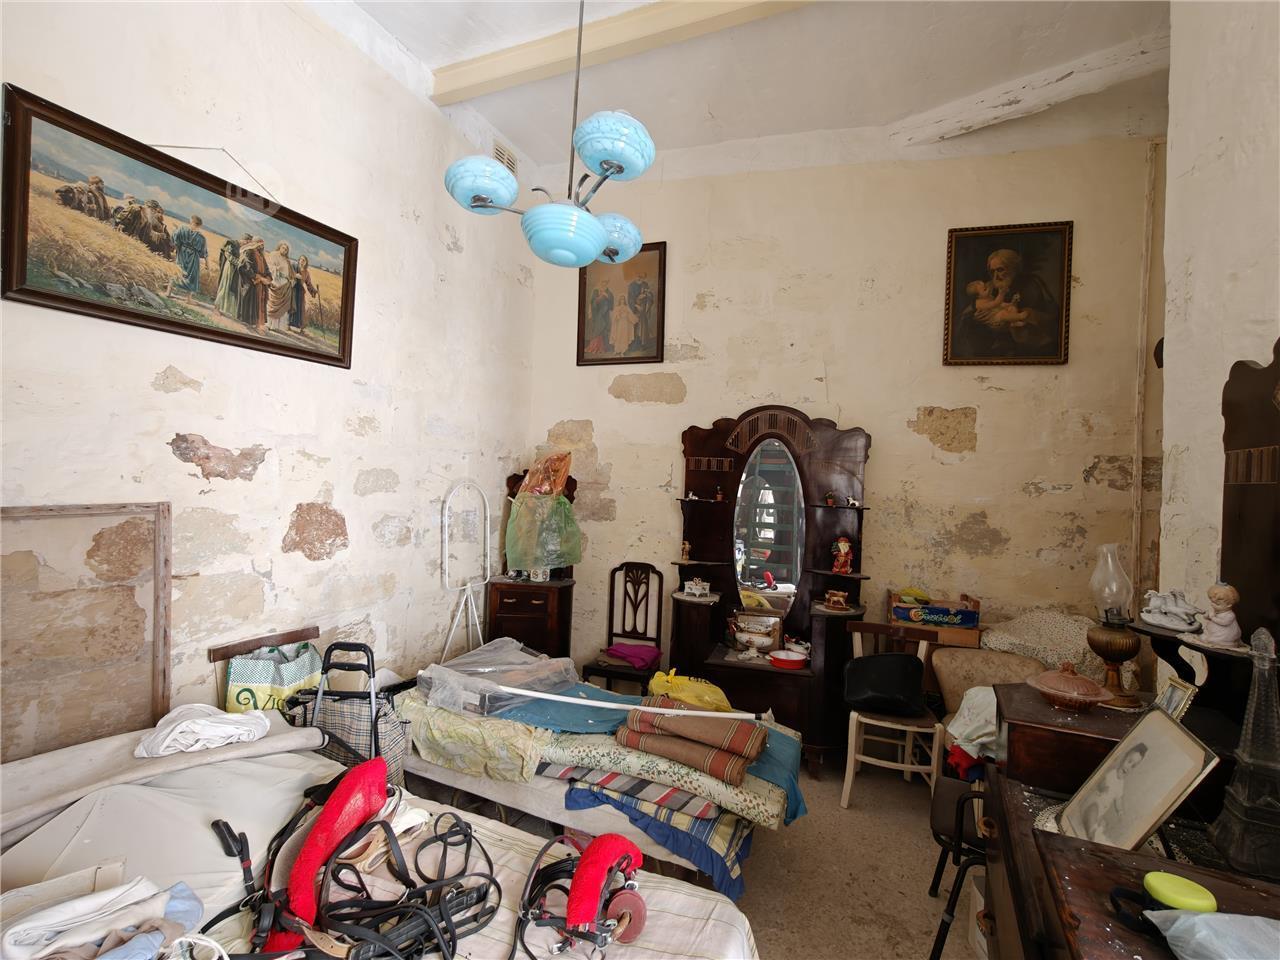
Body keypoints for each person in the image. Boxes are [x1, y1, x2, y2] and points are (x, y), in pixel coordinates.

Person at [957, 248, 1059, 358]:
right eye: (992, 271)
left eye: (1000, 270)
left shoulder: (1030, 285)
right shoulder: (989, 287)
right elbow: (967, 313)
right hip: (994, 348)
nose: (996, 276)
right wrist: (975, 317)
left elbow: (1045, 319)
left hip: (1025, 349)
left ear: (1013, 268)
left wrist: (1022, 315)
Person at [1080, 743, 1147, 845]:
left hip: (1102, 811)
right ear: (1124, 757)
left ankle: (1097, 831)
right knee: (1093, 810)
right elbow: (1100, 784)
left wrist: (1120, 811)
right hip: (1095, 802)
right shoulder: (1112, 773)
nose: (1129, 767)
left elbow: (1118, 799)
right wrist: (1103, 787)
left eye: (1133, 766)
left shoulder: (1121, 783)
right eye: (1129, 761)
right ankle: (1091, 832)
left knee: (1104, 822)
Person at [237, 236, 270, 332]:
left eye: (262, 245)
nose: (261, 246)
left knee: (260, 304)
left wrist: (268, 278)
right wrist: (258, 278)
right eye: (259, 244)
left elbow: (266, 269)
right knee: (252, 304)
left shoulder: (261, 255)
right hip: (252, 283)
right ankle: (250, 324)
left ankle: (258, 324)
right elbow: (246, 267)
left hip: (261, 284)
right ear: (254, 243)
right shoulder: (249, 252)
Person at [172, 215, 208, 301]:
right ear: (199, 225)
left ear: (191, 222)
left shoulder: (182, 229)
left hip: (182, 253)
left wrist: (178, 249)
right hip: (193, 257)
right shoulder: (201, 237)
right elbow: (204, 252)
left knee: (177, 271)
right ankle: (188, 299)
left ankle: (168, 292)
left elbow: (175, 239)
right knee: (192, 276)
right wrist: (207, 263)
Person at [265, 241, 295, 332]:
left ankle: (276, 326)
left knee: (281, 307)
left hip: (284, 284)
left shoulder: (287, 260)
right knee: (272, 304)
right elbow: (270, 267)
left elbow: (290, 272)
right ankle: (269, 324)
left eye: (286, 250)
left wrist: (292, 277)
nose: (284, 250)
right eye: (283, 248)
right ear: (279, 247)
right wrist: (277, 269)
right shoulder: (273, 254)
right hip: (276, 282)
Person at [213, 236, 242, 318]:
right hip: (229, 268)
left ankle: (223, 309)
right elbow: (228, 255)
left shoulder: (240, 247)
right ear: (244, 240)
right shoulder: (232, 244)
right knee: (224, 287)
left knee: (229, 289)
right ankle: (216, 308)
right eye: (246, 242)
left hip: (234, 269)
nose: (246, 244)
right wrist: (239, 263)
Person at [290, 255, 319, 332]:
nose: (302, 261)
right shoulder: (294, 267)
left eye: (304, 260)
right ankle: (288, 324)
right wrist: (295, 275)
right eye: (301, 259)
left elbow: (308, 284)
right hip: (293, 288)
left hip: (300, 291)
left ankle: (298, 325)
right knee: (292, 305)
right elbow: (288, 274)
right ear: (299, 260)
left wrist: (314, 291)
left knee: (300, 307)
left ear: (306, 263)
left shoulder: (306, 272)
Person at [627, 273, 655, 350]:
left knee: (643, 326)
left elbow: (650, 296)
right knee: (635, 325)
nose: (640, 278)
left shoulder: (645, 284)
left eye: (641, 277)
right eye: (638, 276)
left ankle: (643, 343)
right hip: (636, 309)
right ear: (635, 276)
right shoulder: (631, 285)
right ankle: (635, 344)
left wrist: (647, 295)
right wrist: (636, 305)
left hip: (643, 309)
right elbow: (630, 299)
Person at [586, 282, 614, 355]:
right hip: (597, 314)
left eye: (605, 282)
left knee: (604, 329)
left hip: (605, 314)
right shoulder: (596, 291)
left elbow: (611, 306)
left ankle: (604, 347)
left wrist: (607, 297)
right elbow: (593, 303)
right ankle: (595, 347)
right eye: (603, 282)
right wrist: (599, 298)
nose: (604, 284)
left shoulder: (609, 292)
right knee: (597, 328)